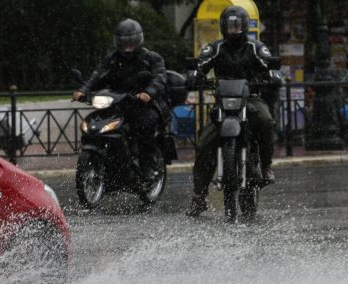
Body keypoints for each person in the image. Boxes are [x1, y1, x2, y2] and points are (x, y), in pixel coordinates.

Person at [185, 5, 277, 217]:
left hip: (251, 99)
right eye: (230, 25)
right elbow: (201, 65)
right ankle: (199, 197)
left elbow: (268, 64)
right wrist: (195, 75)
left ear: (245, 26)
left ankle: (266, 166)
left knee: (265, 121)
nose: (234, 29)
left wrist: (272, 75)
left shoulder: (256, 47)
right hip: (224, 102)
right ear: (223, 27)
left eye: (238, 25)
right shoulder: (215, 48)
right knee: (204, 143)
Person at [72, 19, 168, 187]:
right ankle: (107, 163)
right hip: (117, 104)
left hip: (144, 105)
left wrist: (147, 93)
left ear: (138, 40)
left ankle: (147, 168)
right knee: (95, 125)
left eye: (131, 43)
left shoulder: (150, 58)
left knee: (143, 126)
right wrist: (83, 90)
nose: (127, 47)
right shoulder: (112, 59)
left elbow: (160, 77)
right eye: (124, 43)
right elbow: (97, 75)